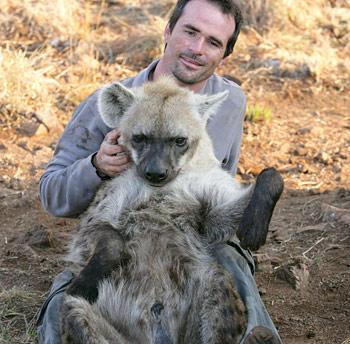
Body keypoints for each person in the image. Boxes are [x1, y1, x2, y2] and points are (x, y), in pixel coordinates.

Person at [37, 0, 282, 343]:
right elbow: (51, 193)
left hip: (185, 244)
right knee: (67, 302)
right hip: (114, 249)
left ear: (225, 53)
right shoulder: (118, 102)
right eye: (190, 32)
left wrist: (259, 193)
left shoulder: (228, 101)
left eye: (213, 42)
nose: (197, 49)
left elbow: (222, 188)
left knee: (229, 261)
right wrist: (96, 166)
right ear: (168, 31)